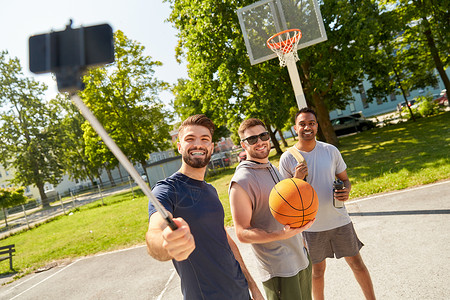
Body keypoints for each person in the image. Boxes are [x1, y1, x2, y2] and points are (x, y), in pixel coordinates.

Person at [145, 114, 263, 300]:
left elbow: (224, 239)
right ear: (179, 146)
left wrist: (252, 286)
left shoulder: (210, 190)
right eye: (190, 139)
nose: (198, 144)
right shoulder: (167, 189)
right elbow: (155, 233)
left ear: (211, 147)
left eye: (204, 139)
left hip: (240, 291)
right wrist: (166, 243)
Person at [279, 108, 376, 300]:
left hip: (339, 220)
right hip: (310, 226)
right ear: (294, 128)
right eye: (302, 124)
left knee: (357, 263)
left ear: (317, 125)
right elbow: (284, 199)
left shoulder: (330, 151)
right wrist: (297, 179)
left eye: (312, 123)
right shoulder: (287, 158)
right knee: (317, 272)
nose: (307, 127)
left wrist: (346, 190)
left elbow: (345, 180)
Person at [229, 118, 314, 300]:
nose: (259, 142)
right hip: (280, 269)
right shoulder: (242, 181)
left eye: (263, 135)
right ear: (244, 145)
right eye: (252, 139)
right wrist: (281, 236)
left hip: (301, 258)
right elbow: (242, 233)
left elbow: (285, 208)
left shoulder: (272, 168)